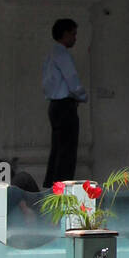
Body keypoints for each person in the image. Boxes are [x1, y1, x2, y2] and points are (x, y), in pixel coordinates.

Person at [42, 18, 88, 188]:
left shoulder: (51, 54)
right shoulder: (62, 54)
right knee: (67, 151)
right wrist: (82, 95)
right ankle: (62, 187)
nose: (75, 38)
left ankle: (51, 185)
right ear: (66, 34)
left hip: (55, 105)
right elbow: (72, 79)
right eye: (73, 34)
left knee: (57, 148)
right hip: (64, 104)